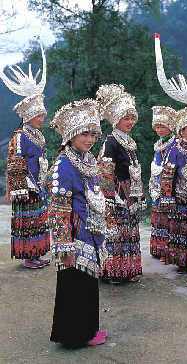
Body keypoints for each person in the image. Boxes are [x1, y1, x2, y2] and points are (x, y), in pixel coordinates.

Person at [46, 99, 108, 348]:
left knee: (87, 285)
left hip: (90, 233)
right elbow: (58, 209)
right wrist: (64, 246)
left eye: (94, 133)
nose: (90, 139)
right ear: (71, 135)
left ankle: (87, 330)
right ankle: (74, 335)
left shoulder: (89, 160)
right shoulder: (63, 165)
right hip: (75, 238)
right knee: (75, 284)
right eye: (85, 133)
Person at [1, 42, 50, 268]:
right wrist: (25, 185)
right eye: (38, 115)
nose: (42, 119)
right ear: (28, 116)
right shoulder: (21, 136)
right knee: (28, 222)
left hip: (38, 185)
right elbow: (17, 162)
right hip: (27, 187)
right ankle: (29, 256)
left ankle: (36, 253)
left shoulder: (38, 136)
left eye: (42, 115)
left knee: (38, 221)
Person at [96, 84, 144, 284]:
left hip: (130, 192)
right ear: (116, 119)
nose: (130, 122)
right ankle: (113, 272)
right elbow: (106, 171)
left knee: (130, 231)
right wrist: (110, 197)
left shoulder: (130, 142)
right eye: (126, 118)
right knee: (116, 233)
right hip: (117, 194)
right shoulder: (111, 142)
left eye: (132, 118)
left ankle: (128, 269)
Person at [156, 106, 187, 273]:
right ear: (182, 130)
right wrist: (167, 196)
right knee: (180, 230)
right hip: (180, 197)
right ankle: (182, 262)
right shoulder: (176, 149)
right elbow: (168, 174)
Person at [149, 106, 177, 261]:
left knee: (168, 218)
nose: (159, 130)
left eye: (163, 126)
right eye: (157, 126)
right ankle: (157, 248)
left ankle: (167, 251)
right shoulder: (158, 143)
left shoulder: (176, 143)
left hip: (169, 185)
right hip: (157, 182)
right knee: (157, 216)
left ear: (170, 126)